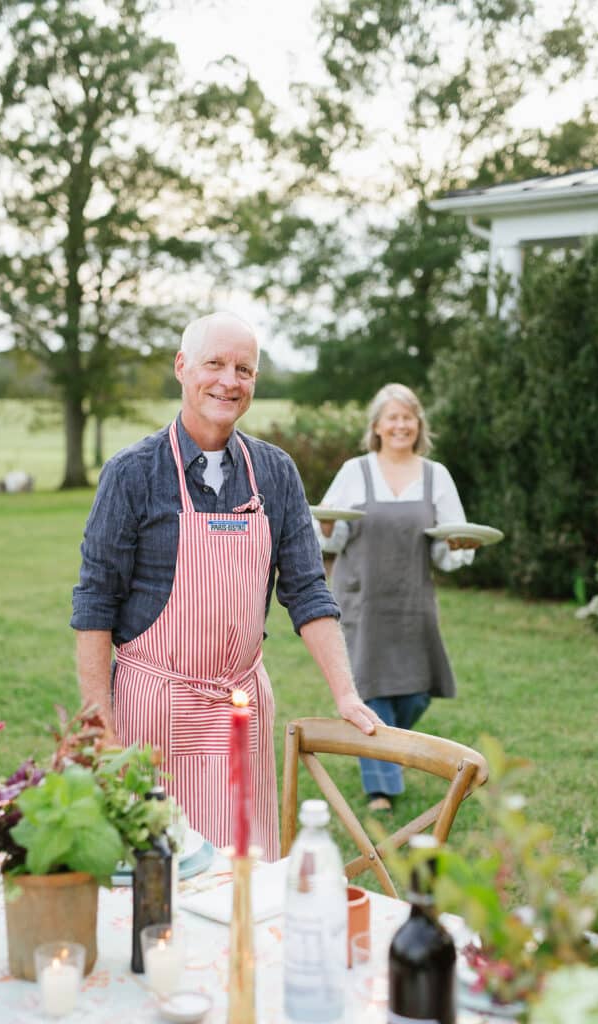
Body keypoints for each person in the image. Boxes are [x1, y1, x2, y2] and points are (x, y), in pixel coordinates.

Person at [71, 312, 379, 860]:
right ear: (182, 367)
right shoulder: (132, 473)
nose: (229, 381)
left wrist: (346, 693)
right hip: (153, 710)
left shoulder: (276, 473)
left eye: (245, 369)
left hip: (242, 707)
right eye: (214, 364)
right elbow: (95, 603)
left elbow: (308, 590)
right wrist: (100, 725)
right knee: (158, 875)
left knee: (247, 868)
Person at [315, 383, 477, 812]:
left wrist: (460, 547)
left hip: (412, 603)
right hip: (361, 600)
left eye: (408, 417)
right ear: (377, 427)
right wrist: (328, 529)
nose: (401, 424)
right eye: (393, 417)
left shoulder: (435, 475)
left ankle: (389, 748)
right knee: (370, 690)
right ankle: (381, 788)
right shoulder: (355, 471)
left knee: (415, 693)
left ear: (418, 424)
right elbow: (331, 537)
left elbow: (446, 547)